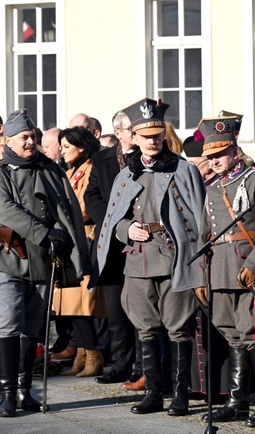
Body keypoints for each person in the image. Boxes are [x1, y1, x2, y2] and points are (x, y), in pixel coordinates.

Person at [93, 98, 206, 416]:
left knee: (179, 329)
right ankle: (154, 393)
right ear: (135, 138)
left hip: (174, 261)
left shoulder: (183, 169)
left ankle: (180, 394)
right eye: (146, 136)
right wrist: (127, 229)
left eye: (157, 135)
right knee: (145, 329)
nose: (153, 141)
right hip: (138, 262)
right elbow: (114, 221)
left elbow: (199, 220)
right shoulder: (125, 175)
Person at [0, 109, 91, 417]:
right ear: (8, 141)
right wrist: (46, 233)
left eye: (33, 136)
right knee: (7, 325)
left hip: (43, 261)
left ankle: (23, 390)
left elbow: (66, 207)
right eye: (24, 137)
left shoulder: (49, 169)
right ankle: (6, 395)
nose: (30, 142)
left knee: (32, 328)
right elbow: (5, 211)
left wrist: (70, 246)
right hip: (8, 257)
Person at [194, 116, 255, 426]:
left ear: (234, 150)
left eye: (220, 154)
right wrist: (200, 276)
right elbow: (206, 236)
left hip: (247, 268)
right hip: (219, 270)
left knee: (254, 334)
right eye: (210, 157)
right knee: (232, 334)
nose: (215, 161)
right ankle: (237, 401)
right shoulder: (212, 188)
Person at [85, 110, 140, 386]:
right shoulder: (102, 159)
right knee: (116, 309)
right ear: (117, 133)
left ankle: (143, 365)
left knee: (141, 307)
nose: (135, 133)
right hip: (109, 240)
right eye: (130, 129)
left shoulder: (147, 157)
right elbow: (91, 194)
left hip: (141, 239)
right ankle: (120, 363)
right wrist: (111, 219)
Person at [52, 127, 107, 377]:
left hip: (86, 238)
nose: (62, 151)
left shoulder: (92, 168)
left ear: (81, 147)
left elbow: (83, 206)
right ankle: (82, 355)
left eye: (66, 146)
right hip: (71, 240)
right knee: (70, 304)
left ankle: (93, 354)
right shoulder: (70, 170)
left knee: (84, 304)